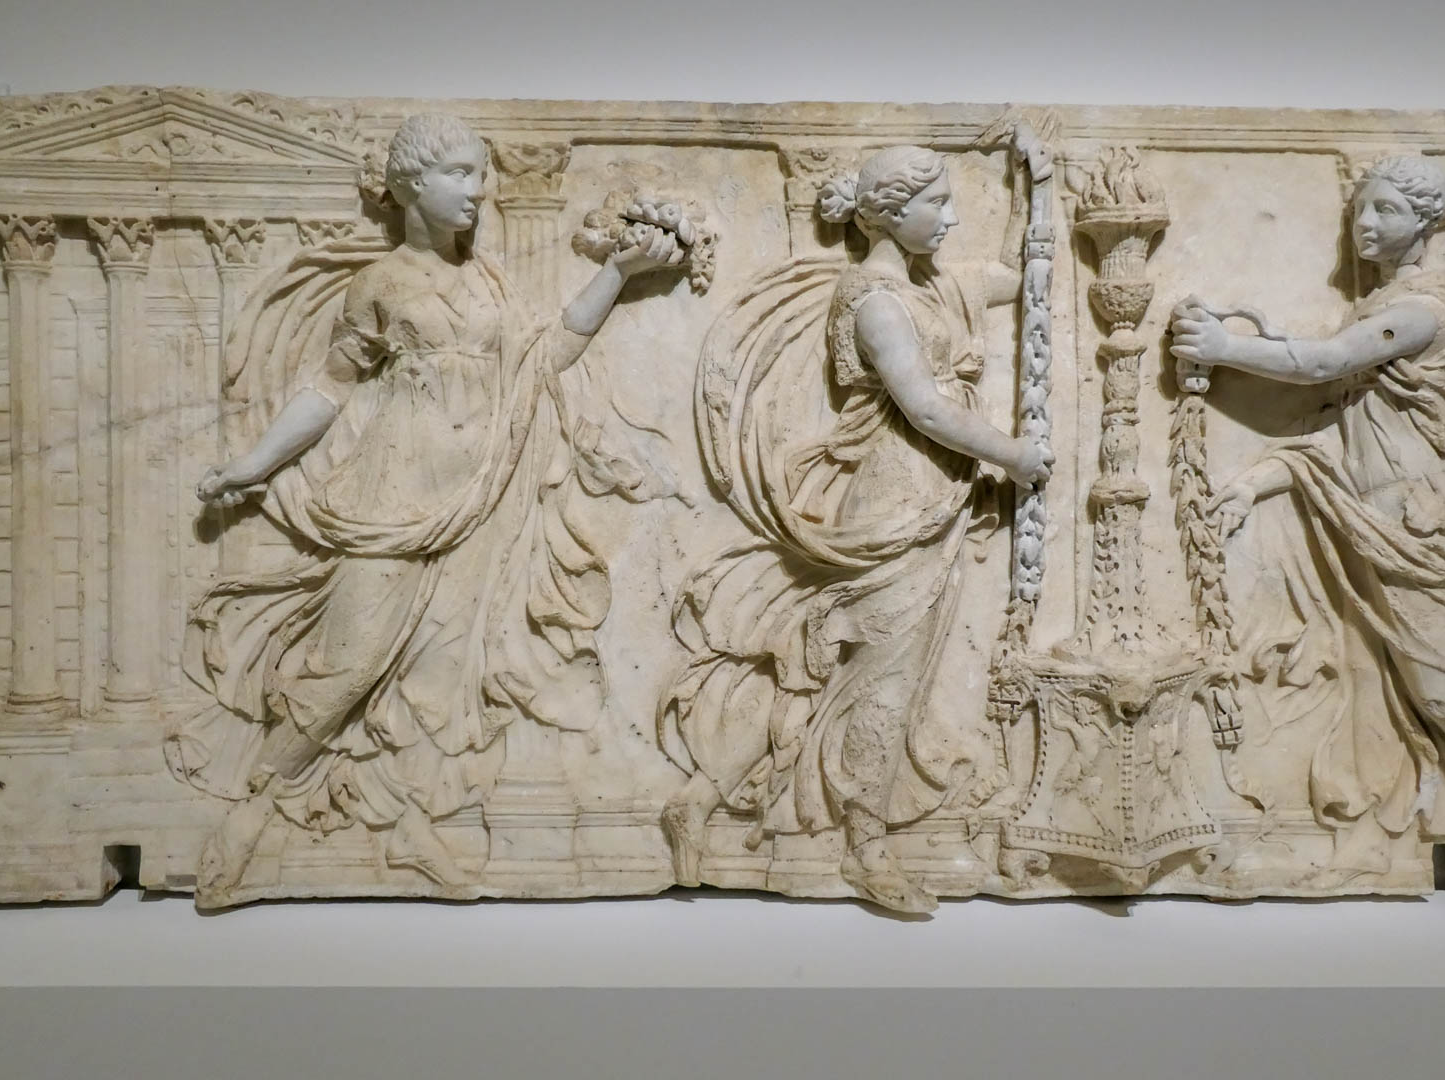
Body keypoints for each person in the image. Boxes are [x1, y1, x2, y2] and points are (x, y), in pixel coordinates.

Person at [171, 114, 681, 906]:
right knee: (348, 664)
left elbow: (547, 354)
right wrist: (253, 464)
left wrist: (617, 273)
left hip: (481, 499)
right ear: (411, 184)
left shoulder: (491, 281)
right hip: (393, 499)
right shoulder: (380, 284)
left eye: (481, 173)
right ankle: (251, 811)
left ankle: (411, 827)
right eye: (458, 173)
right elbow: (328, 389)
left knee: (441, 678)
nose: (478, 190)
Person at [1169, 155, 1445, 872]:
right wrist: (1254, 483)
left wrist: (1226, 348)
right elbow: (1342, 433)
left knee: (1438, 685)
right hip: (1369, 514)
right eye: (1361, 209)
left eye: (1388, 210)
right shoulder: (1376, 309)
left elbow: (1323, 363)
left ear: (1429, 224)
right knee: (1414, 679)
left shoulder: (1423, 312)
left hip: (1420, 520)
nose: (1366, 224)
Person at [659, 140, 1052, 912]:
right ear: (890, 214)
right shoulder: (874, 301)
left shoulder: (929, 284)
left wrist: (1033, 188)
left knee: (854, 673)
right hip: (895, 502)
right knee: (879, 678)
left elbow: (1013, 278)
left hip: (933, 499)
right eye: (935, 204)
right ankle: (864, 847)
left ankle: (702, 799)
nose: (951, 217)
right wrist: (1013, 455)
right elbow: (924, 408)